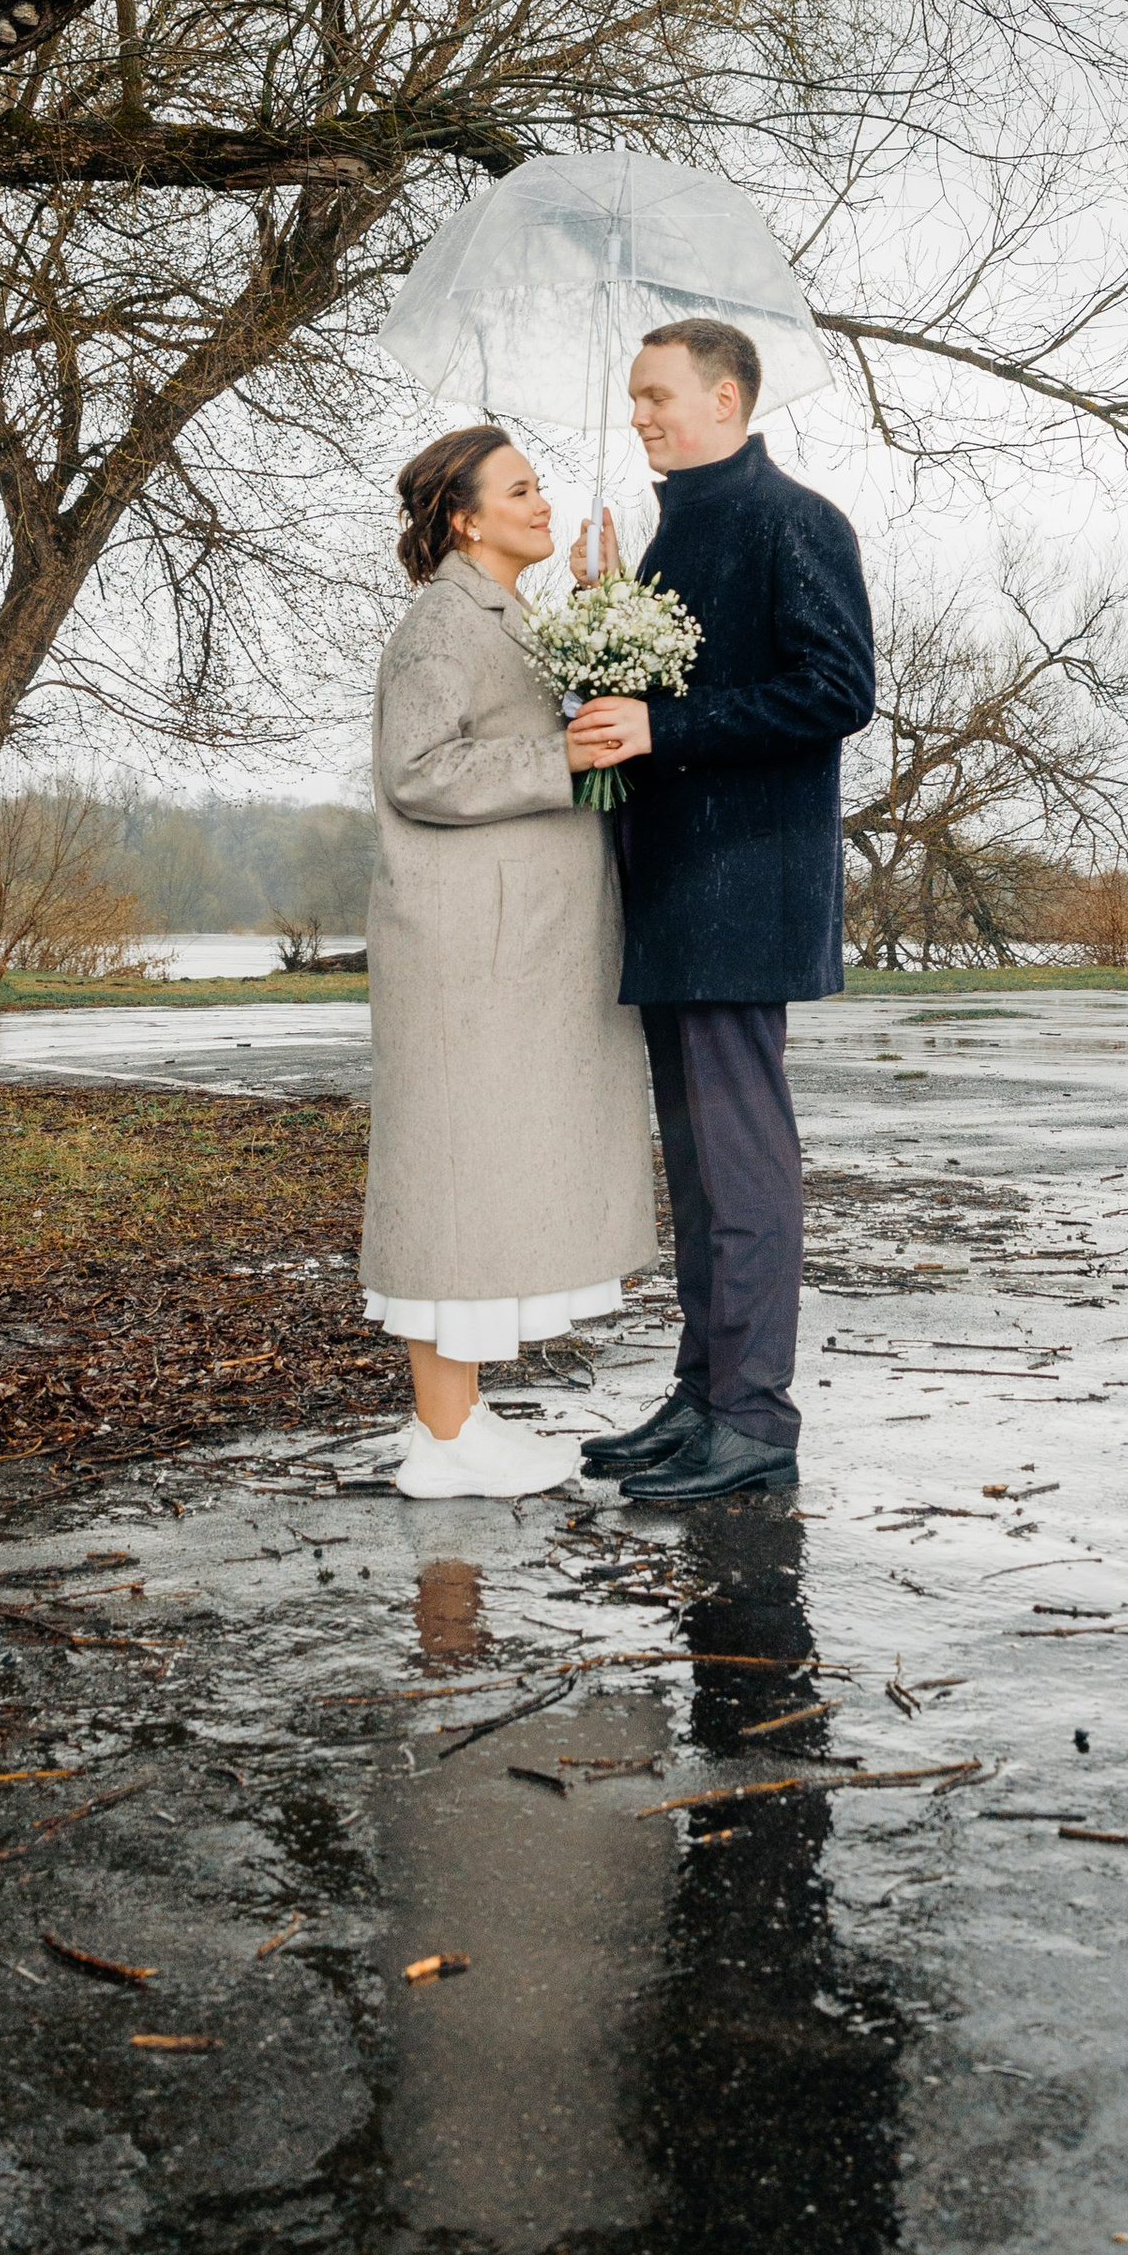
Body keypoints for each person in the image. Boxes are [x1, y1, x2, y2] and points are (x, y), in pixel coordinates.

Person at [568, 318, 876, 1502]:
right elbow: (662, 694)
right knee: (695, 1168)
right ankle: (703, 1394)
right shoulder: (670, 534)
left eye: (657, 394)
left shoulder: (792, 519)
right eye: (634, 395)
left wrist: (662, 723)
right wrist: (602, 615)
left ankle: (754, 1415)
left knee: (741, 1166)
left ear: (726, 400)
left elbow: (835, 689)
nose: (639, 412)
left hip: (742, 892)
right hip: (670, 890)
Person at [362, 424, 657, 1500]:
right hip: (463, 957)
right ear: (463, 516)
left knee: (480, 1183)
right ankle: (441, 1437)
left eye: (540, 487)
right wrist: (557, 757)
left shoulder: (506, 615)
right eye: (521, 490)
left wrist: (604, 602)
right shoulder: (442, 623)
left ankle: (460, 1421)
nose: (545, 504)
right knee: (451, 1184)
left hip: (509, 953)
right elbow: (418, 771)